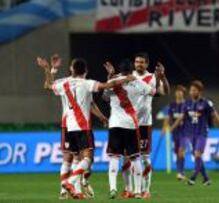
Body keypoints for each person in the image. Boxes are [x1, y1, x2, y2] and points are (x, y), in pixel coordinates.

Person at [39, 57, 130, 199]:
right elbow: (106, 86)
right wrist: (125, 78)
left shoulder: (64, 83)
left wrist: (48, 69)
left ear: (72, 69)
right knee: (87, 159)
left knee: (75, 158)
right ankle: (70, 183)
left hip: (69, 126)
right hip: (83, 126)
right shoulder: (87, 83)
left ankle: (76, 190)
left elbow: (48, 85)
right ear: (85, 71)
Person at [103, 59, 156, 199]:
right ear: (132, 69)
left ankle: (113, 188)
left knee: (114, 157)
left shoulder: (114, 81)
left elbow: (105, 97)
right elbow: (153, 92)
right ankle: (138, 191)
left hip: (115, 124)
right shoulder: (137, 81)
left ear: (120, 69)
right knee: (135, 158)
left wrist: (111, 78)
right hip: (132, 124)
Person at [170, 80, 219, 186]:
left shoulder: (206, 103)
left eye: (194, 90)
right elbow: (181, 117)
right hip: (191, 135)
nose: (192, 92)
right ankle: (206, 179)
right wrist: (172, 127)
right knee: (197, 157)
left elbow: (215, 117)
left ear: (200, 91)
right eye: (191, 90)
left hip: (202, 133)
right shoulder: (187, 104)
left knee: (197, 154)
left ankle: (193, 178)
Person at [132, 52, 170, 199]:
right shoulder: (129, 77)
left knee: (145, 158)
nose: (139, 64)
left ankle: (145, 189)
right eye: (137, 62)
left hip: (144, 124)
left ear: (147, 64)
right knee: (129, 159)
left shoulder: (152, 78)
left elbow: (165, 91)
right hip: (128, 123)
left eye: (142, 62)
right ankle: (131, 189)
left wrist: (163, 77)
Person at [162, 85, 187, 181]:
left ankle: (180, 173)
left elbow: (181, 118)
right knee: (177, 153)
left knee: (181, 151)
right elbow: (167, 118)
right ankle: (180, 172)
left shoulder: (187, 105)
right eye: (177, 91)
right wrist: (164, 129)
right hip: (175, 133)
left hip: (185, 131)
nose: (179, 93)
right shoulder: (172, 106)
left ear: (183, 93)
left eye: (181, 91)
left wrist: (171, 128)